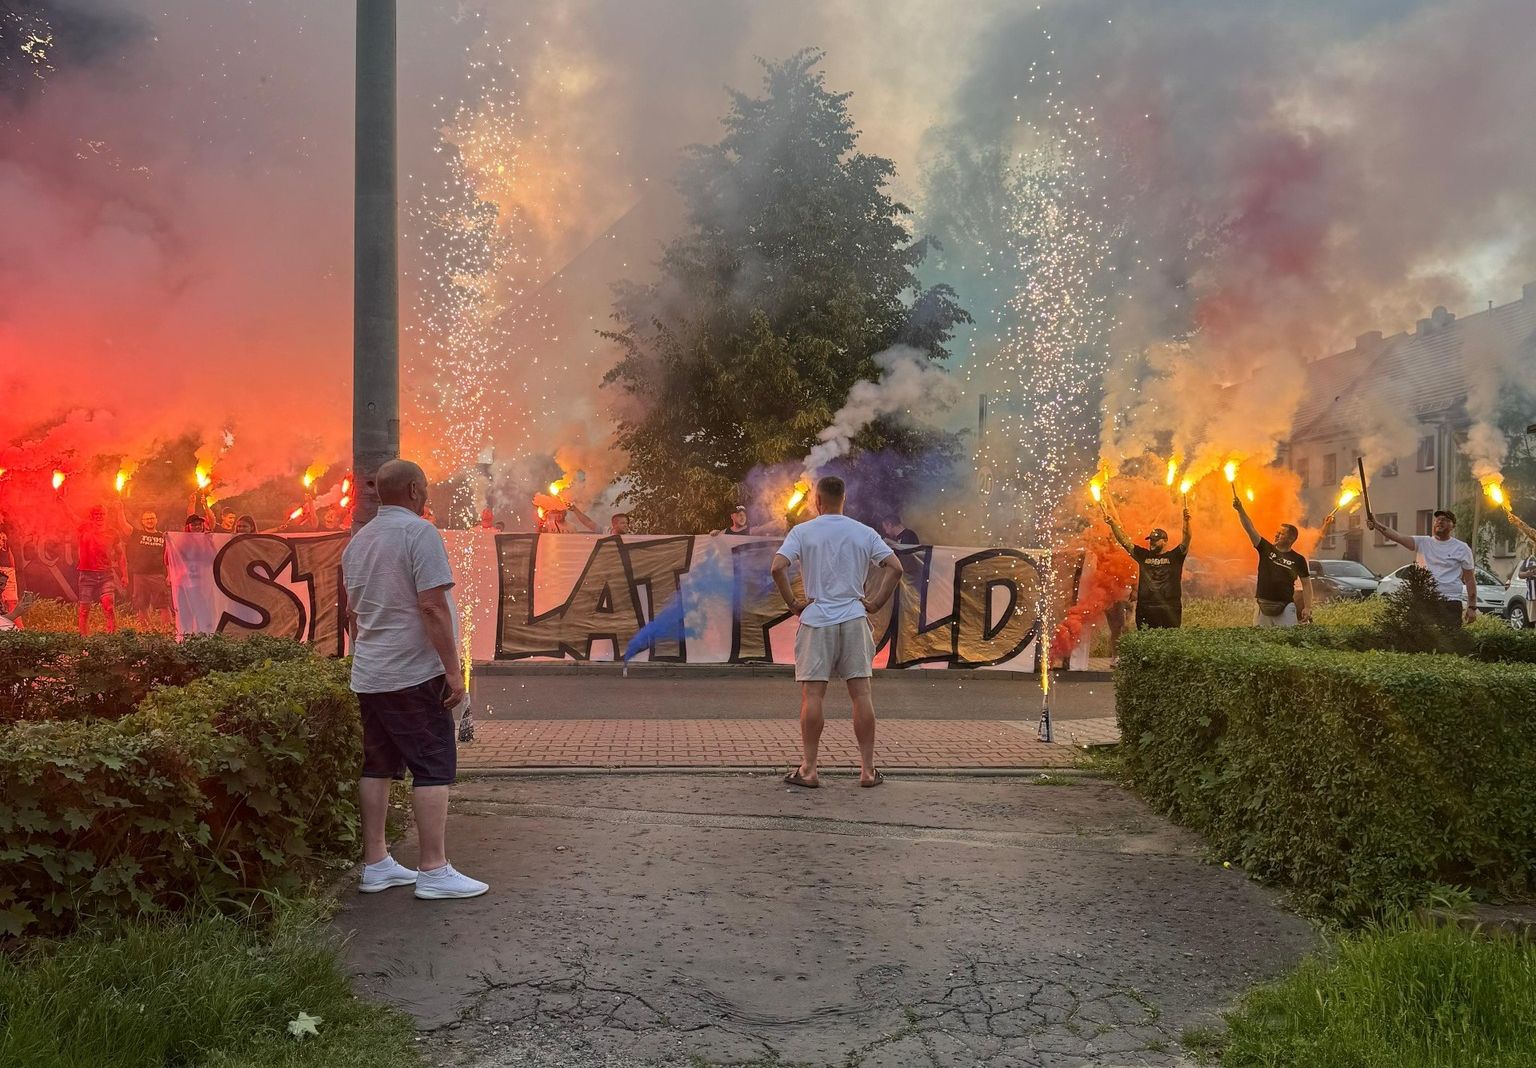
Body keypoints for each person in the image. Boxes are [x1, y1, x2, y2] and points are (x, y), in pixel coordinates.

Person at [342, 458, 487, 900]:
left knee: (378, 765)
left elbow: (351, 615)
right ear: (412, 491)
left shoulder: (359, 542)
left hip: (371, 673)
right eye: (423, 489)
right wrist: (451, 671)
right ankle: (433, 868)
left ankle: (376, 863)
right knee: (433, 766)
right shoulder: (419, 533)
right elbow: (431, 606)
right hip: (413, 673)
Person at [771, 475, 905, 789]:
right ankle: (868, 771)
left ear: (817, 501)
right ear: (844, 499)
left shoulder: (803, 532)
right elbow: (895, 567)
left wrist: (793, 603)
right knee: (861, 694)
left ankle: (809, 769)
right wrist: (874, 602)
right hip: (855, 616)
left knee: (813, 695)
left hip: (817, 618)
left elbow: (777, 567)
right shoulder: (864, 532)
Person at [1368, 508, 1476, 625]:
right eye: (1438, 519)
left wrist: (1472, 607)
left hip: (1450, 601)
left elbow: (1470, 580)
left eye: (1445, 520)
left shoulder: (1462, 548)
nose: (1440, 522)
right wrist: (1376, 525)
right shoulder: (1423, 542)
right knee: (1417, 638)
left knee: (1450, 639)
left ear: (1453, 526)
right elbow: (1397, 537)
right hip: (1424, 600)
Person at [1099, 496, 1191, 629]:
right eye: (1151, 540)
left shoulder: (1175, 556)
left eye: (1155, 540)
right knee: (1146, 642)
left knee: (1168, 642)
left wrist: (1186, 521)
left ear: (1165, 541)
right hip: (1146, 608)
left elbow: (1186, 537)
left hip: (1169, 608)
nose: (1152, 542)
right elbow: (1125, 542)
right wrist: (1113, 524)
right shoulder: (1143, 556)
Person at [1232, 496, 1313, 627]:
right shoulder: (1265, 548)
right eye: (1277, 532)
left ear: (1291, 538)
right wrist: (1240, 510)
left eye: (1281, 534)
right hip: (1262, 605)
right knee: (1260, 640)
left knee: (1288, 640)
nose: (1276, 535)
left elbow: (1307, 585)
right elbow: (1249, 528)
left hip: (1285, 607)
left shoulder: (1298, 559)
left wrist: (1308, 607)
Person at [75, 504, 124, 635]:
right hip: (87, 574)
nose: (99, 517)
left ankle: (111, 636)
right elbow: (70, 516)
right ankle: (84, 641)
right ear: (91, 516)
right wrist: (61, 502)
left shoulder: (113, 532)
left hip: (106, 574)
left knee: (109, 606)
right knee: (84, 610)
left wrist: (125, 574)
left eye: (102, 514)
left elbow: (121, 554)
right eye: (96, 514)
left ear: (106, 515)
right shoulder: (84, 527)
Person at [127, 509, 173, 631]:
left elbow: (168, 557)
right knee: (141, 605)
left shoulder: (163, 536)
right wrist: (119, 509)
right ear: (142, 521)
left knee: (164, 604)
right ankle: (146, 632)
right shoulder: (137, 534)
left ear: (156, 520)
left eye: (152, 518)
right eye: (147, 519)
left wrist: (169, 575)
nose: (149, 521)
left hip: (158, 575)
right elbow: (123, 525)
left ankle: (167, 631)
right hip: (140, 574)